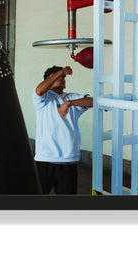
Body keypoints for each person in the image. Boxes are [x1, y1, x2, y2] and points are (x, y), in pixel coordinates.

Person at [32, 66, 93, 194]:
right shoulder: (43, 98)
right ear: (47, 81)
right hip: (44, 160)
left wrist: (69, 103)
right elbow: (39, 90)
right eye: (56, 77)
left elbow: (93, 101)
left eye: (63, 77)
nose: (61, 78)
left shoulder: (71, 97)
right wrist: (60, 72)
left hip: (68, 161)